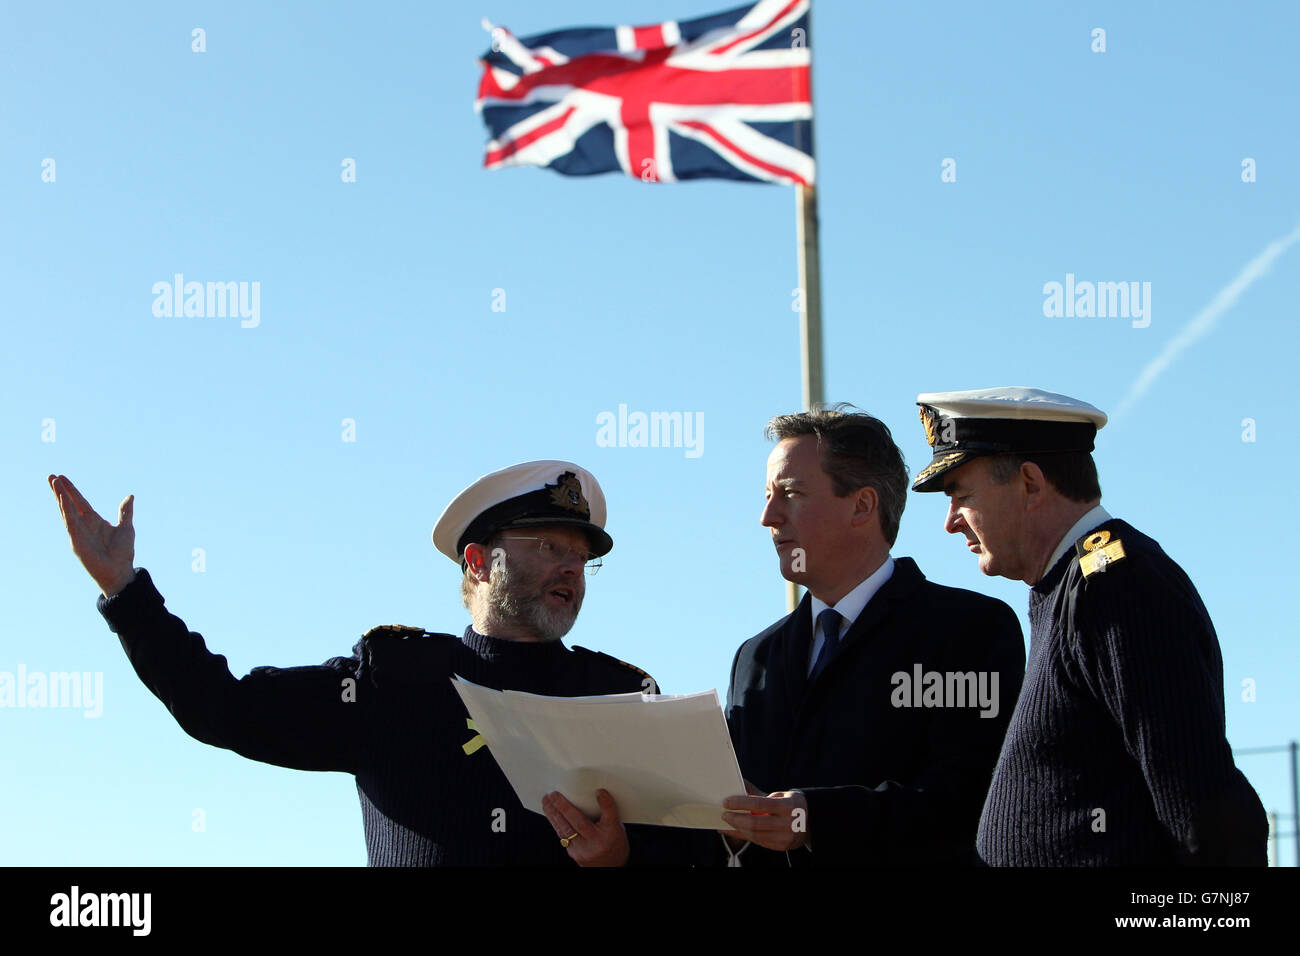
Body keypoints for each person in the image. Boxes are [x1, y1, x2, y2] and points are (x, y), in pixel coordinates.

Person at [48, 460, 673, 866]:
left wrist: (621, 859)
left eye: (581, 556)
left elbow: (696, 850)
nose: (571, 566)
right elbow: (224, 708)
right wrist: (127, 593)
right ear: (479, 563)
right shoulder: (391, 682)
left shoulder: (621, 697)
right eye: (548, 546)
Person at [910, 386, 1268, 866]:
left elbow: (1204, 810)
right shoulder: (1071, 583)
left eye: (961, 495)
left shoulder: (1117, 584)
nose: (951, 522)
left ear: (1031, 483)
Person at [718, 406, 1026, 866]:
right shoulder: (755, 656)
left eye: (791, 493)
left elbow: (971, 801)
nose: (769, 516)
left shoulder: (968, 629)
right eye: (767, 495)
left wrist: (814, 818)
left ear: (863, 505)